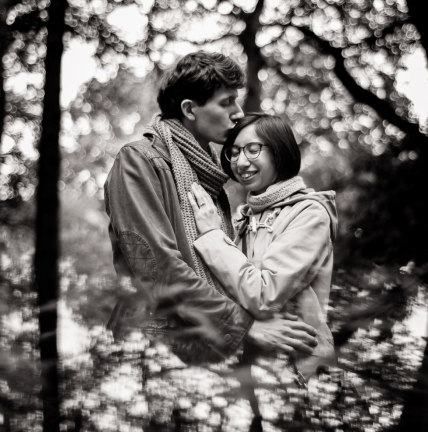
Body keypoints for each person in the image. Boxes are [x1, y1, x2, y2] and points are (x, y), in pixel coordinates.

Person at [104, 52, 319, 365]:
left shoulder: (208, 177)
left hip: (210, 349)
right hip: (150, 350)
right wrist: (245, 325)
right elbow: (158, 269)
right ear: (190, 109)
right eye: (226, 102)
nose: (237, 113)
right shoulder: (139, 161)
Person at [188, 113, 338, 380]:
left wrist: (212, 235)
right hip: (254, 367)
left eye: (252, 149)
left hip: (297, 372)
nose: (240, 162)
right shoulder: (247, 216)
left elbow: (263, 295)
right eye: (233, 153)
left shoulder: (310, 214)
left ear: (279, 151)